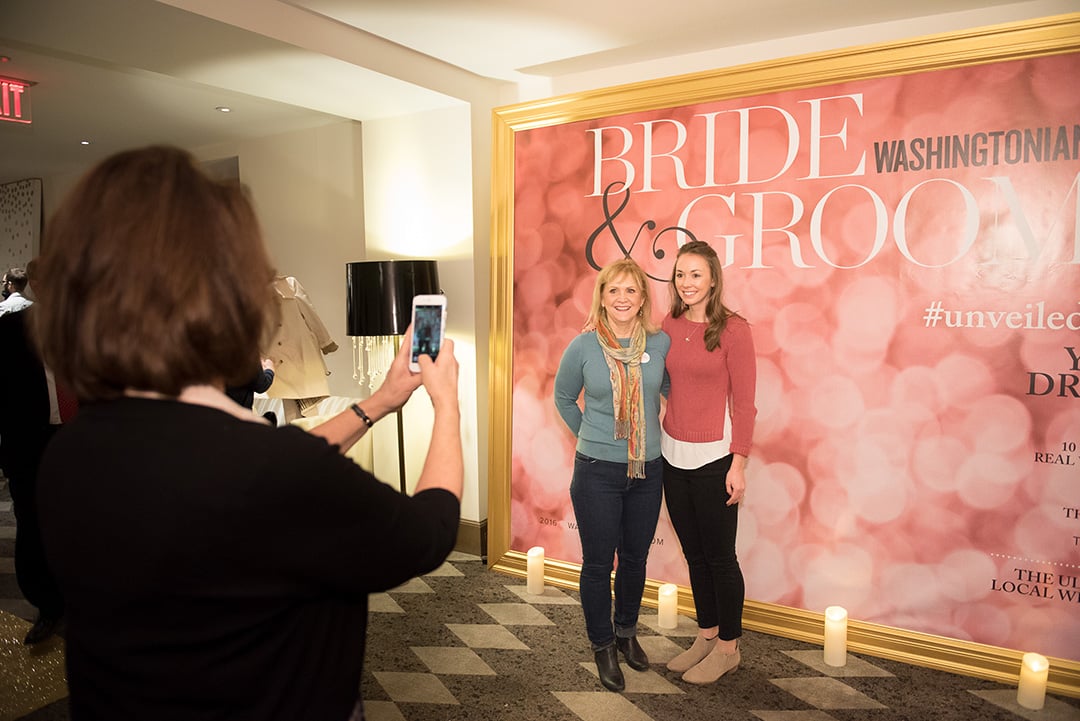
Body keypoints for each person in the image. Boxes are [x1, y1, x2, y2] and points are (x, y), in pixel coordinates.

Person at [30, 145, 463, 721]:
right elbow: (428, 532)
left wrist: (380, 402)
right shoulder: (269, 473)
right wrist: (446, 401)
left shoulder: (72, 452)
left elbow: (257, 474)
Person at [553, 257, 671, 692]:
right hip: (596, 472)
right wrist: (593, 435)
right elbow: (564, 398)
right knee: (599, 564)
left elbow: (670, 390)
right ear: (602, 297)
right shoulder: (582, 346)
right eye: (613, 290)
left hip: (647, 470)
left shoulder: (659, 344)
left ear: (642, 300)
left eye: (631, 291)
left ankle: (625, 634)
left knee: (636, 560)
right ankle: (602, 645)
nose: (622, 298)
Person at [660, 240, 757, 685]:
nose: (687, 282)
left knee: (720, 558)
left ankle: (728, 648)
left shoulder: (735, 329)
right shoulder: (668, 324)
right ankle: (706, 634)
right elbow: (663, 383)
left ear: (713, 279)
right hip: (671, 456)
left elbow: (746, 404)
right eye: (681, 274)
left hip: (715, 459)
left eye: (696, 274)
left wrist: (738, 465)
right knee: (694, 555)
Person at [0, 263, 66, 644]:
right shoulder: (10, 330)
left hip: (80, 440)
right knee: (34, 526)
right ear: (37, 284)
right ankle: (47, 605)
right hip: (30, 444)